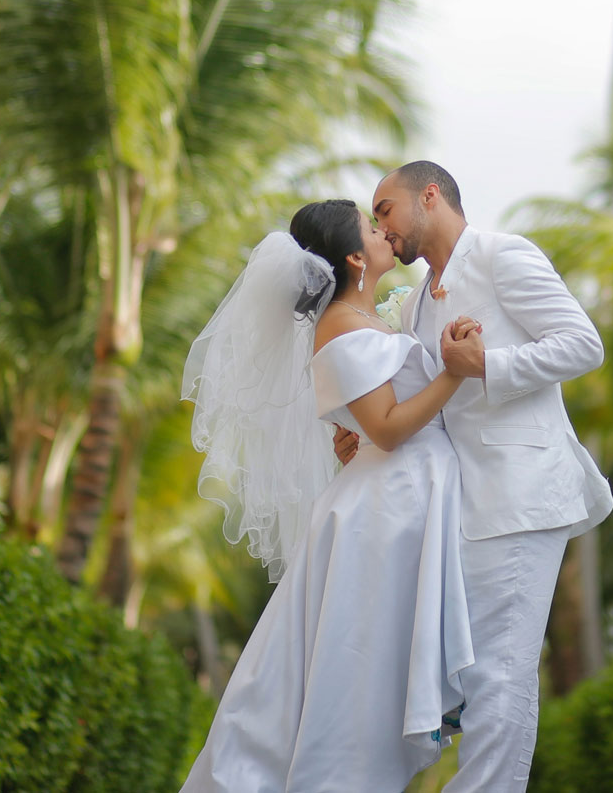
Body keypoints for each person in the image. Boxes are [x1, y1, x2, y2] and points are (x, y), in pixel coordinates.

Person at [177, 199, 483, 793]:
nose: (384, 231)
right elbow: (390, 428)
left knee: (361, 674)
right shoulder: (341, 322)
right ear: (352, 255)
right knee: (355, 679)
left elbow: (372, 420)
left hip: (395, 502)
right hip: (381, 515)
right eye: (372, 227)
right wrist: (452, 370)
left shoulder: (366, 320)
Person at [348, 160, 613, 793]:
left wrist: (487, 363)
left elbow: (583, 343)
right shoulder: (412, 302)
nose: (381, 230)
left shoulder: (504, 256)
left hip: (523, 495)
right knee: (467, 680)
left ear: (430, 197)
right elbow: (427, 401)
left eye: (385, 210)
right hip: (458, 510)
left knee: (501, 676)